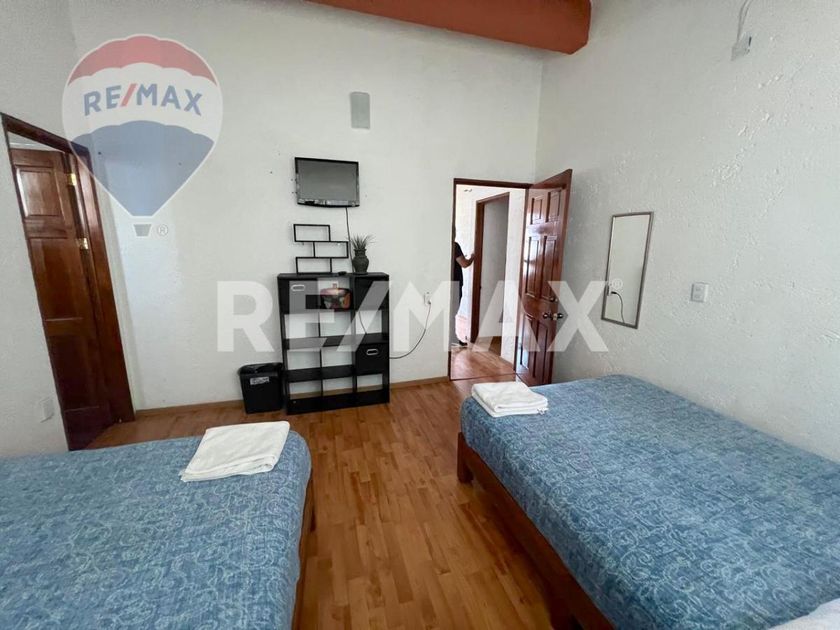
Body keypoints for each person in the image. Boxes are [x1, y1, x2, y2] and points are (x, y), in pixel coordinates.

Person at [451, 234, 475, 347]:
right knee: (453, 312)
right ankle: (452, 338)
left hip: (445, 283)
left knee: (448, 312)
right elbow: (464, 264)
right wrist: (472, 257)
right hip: (454, 284)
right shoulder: (454, 246)